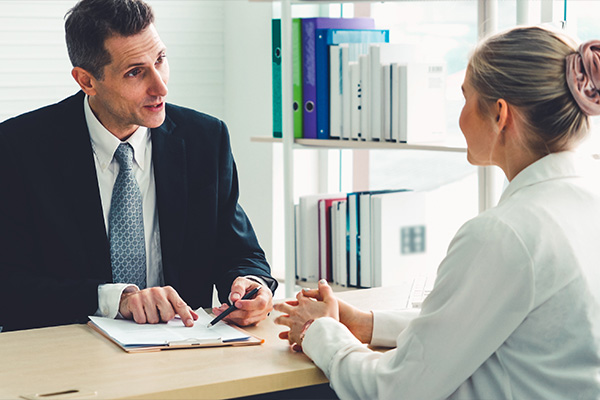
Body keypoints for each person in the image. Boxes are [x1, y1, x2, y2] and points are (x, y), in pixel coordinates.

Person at [275, 26, 600, 399]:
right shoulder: (586, 200)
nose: (459, 118)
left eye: (465, 99)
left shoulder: (505, 234)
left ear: (500, 114)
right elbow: (485, 321)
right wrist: (366, 324)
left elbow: (395, 390)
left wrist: (320, 332)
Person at [0, 0, 277, 332]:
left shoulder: (205, 139)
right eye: (135, 72)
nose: (160, 86)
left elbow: (240, 252)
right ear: (87, 81)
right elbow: (10, 287)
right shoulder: (18, 147)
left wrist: (249, 284)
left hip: (184, 349)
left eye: (160, 59)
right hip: (70, 352)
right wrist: (116, 300)